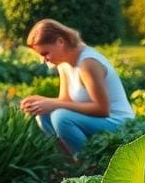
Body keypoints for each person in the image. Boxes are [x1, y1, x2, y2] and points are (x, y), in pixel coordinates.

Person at [20, 19, 134, 158]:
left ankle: (89, 164)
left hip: (118, 122)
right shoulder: (64, 63)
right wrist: (42, 102)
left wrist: (52, 103)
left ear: (60, 42)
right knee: (43, 114)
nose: (43, 60)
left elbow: (102, 109)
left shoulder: (87, 63)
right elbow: (65, 101)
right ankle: (71, 162)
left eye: (45, 53)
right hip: (98, 121)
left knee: (61, 117)